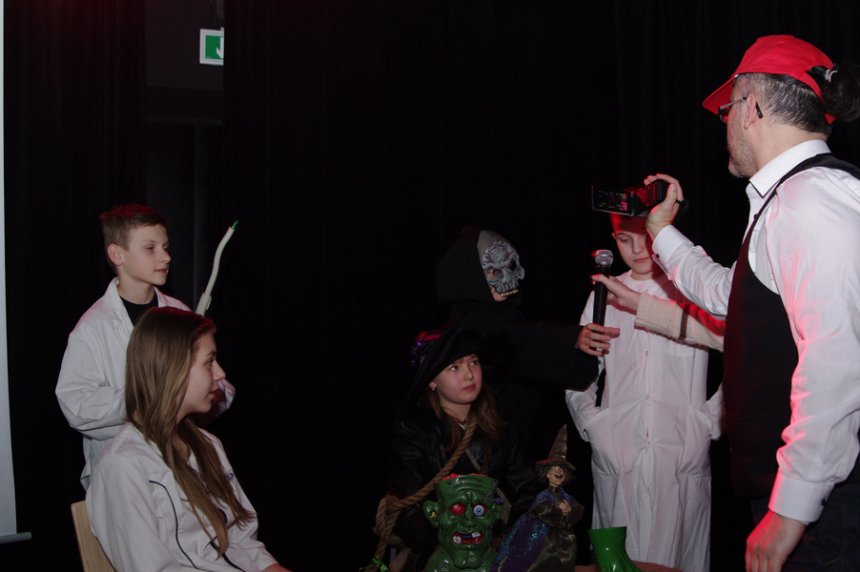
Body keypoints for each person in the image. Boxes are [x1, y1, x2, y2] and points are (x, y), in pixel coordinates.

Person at [644, 35, 860, 571]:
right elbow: (731, 295)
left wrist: (791, 509)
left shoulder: (810, 201)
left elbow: (838, 362)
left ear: (753, 108)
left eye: (727, 111)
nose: (725, 125)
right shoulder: (790, 200)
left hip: (825, 511)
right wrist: (661, 232)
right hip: (810, 501)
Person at [565, 213, 723, 571]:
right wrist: (592, 424)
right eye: (625, 240)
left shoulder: (691, 289)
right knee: (619, 557)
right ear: (613, 239)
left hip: (681, 447)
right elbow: (580, 369)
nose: (637, 250)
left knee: (679, 555)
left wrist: (712, 422)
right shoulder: (603, 294)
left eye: (646, 238)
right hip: (620, 447)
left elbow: (741, 351)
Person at [86, 307, 291, 572]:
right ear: (174, 368)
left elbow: (242, 540)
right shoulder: (123, 467)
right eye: (209, 362)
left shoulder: (207, 445)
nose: (220, 373)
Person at [56, 204, 233, 488]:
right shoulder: (91, 328)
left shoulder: (179, 313)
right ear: (117, 254)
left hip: (179, 464)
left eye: (166, 247)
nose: (166, 256)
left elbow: (213, 384)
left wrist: (211, 392)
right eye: (150, 248)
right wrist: (144, 399)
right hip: (123, 477)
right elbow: (76, 404)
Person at [435, 227, 598, 465]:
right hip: (479, 456)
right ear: (470, 275)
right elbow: (511, 339)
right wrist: (572, 339)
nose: (506, 277)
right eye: (493, 271)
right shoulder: (467, 325)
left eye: (510, 266)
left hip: (517, 451)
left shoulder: (510, 316)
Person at [387, 324, 542, 571]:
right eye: (454, 367)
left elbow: (527, 488)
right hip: (440, 554)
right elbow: (408, 509)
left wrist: (507, 544)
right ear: (432, 381)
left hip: (498, 552)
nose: (469, 375)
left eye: (473, 362)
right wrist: (449, 548)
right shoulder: (413, 431)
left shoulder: (501, 425)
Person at [492, 426, 583, 571]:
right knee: (530, 558)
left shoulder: (565, 496)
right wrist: (557, 510)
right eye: (554, 469)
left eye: (561, 470)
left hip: (560, 539)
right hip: (538, 536)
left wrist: (570, 510)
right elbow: (541, 508)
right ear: (547, 474)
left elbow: (577, 509)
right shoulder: (544, 495)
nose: (558, 472)